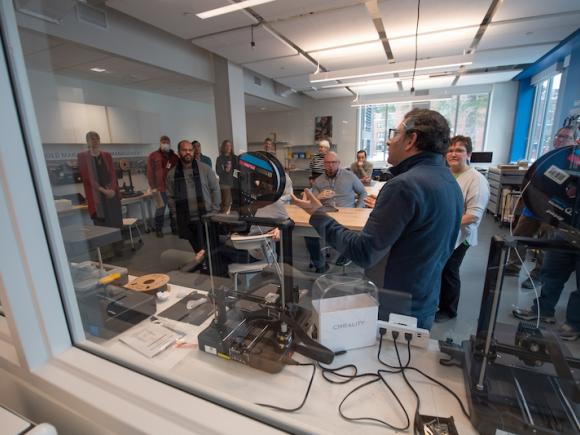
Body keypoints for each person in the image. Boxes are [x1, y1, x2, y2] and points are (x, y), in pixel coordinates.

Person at [293, 109, 463, 330]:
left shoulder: (404, 185)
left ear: (411, 140)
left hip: (394, 306)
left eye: (395, 133)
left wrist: (318, 216)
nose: (389, 141)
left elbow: (364, 252)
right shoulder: (449, 181)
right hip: (424, 299)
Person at [504, 126, 576, 287]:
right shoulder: (549, 157)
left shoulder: (574, 162)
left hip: (554, 213)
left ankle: (538, 276)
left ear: (574, 141)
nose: (560, 139)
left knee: (545, 244)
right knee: (519, 236)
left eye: (565, 137)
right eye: (559, 136)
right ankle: (514, 265)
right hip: (533, 208)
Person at [436, 136, 489, 322]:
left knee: (450, 271)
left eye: (459, 150)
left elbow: (474, 215)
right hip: (444, 233)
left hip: (461, 236)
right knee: (440, 269)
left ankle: (448, 310)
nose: (453, 154)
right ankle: (438, 303)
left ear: (469, 154)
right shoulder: (446, 174)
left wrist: (444, 222)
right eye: (450, 150)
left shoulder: (476, 180)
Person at [305, 151, 367, 273]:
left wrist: (358, 209)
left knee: (349, 234)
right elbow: (312, 201)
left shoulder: (350, 176)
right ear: (324, 164)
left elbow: (363, 193)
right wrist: (318, 197)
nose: (330, 165)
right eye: (327, 163)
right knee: (308, 233)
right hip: (326, 213)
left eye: (333, 162)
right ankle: (320, 264)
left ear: (339, 163)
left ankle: (347, 253)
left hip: (347, 214)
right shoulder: (319, 180)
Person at [166, 140, 221, 264]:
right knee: (198, 250)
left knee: (210, 249)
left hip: (206, 217)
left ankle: (211, 269)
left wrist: (215, 210)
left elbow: (216, 190)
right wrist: (175, 214)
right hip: (186, 219)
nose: (188, 153)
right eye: (184, 150)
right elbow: (170, 197)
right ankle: (204, 267)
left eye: (190, 150)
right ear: (179, 152)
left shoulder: (205, 169)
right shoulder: (172, 174)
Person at [77, 131, 124, 254]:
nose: (95, 140)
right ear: (87, 141)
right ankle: (105, 252)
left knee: (115, 222)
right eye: (92, 138)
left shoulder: (106, 155)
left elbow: (112, 174)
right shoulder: (82, 157)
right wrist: (103, 190)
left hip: (111, 195)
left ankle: (118, 249)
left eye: (97, 138)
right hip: (97, 196)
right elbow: (87, 178)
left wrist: (112, 189)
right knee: (101, 223)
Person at [147, 135, 179, 237]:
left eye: (167, 142)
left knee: (173, 209)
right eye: (163, 142)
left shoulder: (174, 157)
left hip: (173, 188)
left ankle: (174, 228)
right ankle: (158, 229)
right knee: (160, 209)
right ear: (160, 143)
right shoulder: (153, 156)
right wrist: (153, 187)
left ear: (170, 143)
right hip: (159, 188)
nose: (165, 143)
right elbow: (150, 172)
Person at [216, 139, 238, 213]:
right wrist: (225, 171)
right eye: (226, 145)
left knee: (235, 202)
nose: (228, 147)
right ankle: (223, 219)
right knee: (226, 202)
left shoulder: (235, 158)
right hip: (224, 184)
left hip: (234, 183)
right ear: (223, 147)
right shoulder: (219, 159)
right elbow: (218, 172)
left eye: (230, 146)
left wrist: (236, 178)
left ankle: (233, 218)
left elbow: (238, 169)